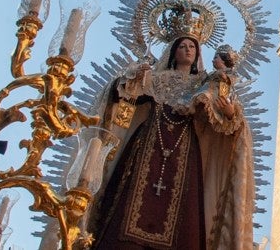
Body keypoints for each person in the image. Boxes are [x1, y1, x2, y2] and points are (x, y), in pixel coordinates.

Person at [90, 35, 254, 250]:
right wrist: (133, 76)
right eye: (183, 46)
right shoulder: (156, 78)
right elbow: (123, 92)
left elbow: (225, 121)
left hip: (184, 148)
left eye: (192, 47)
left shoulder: (205, 83)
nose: (188, 50)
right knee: (127, 202)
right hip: (149, 140)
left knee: (185, 211)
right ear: (172, 51)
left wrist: (230, 114)